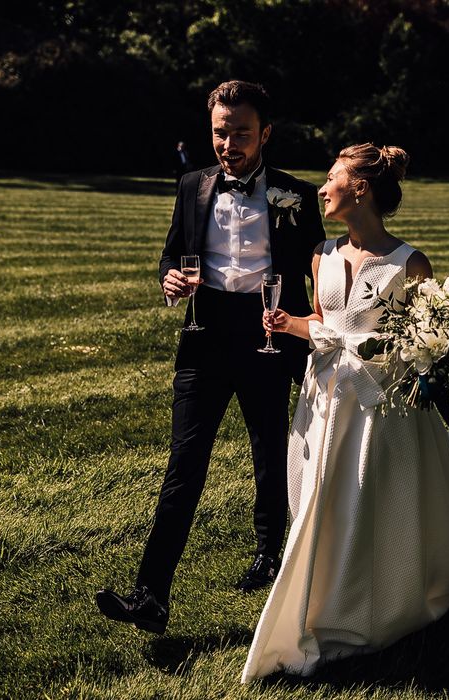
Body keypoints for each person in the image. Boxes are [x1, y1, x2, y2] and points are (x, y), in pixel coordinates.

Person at [241, 143, 449, 682]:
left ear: (359, 189)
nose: (322, 187)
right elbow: (321, 318)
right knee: (318, 497)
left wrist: (434, 360)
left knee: (368, 498)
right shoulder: (321, 254)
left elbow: (414, 342)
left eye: (332, 178)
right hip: (324, 397)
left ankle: (371, 599)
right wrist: (288, 324)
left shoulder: (409, 263)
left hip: (379, 407)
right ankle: (318, 585)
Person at [95, 80, 326, 633]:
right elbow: (173, 252)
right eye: (221, 133)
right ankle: (151, 594)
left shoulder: (296, 194)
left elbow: (319, 271)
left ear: (265, 133)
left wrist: (308, 328)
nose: (229, 144)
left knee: (270, 450)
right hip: (203, 335)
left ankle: (271, 556)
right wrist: (169, 278)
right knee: (185, 461)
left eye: (241, 133)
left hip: (269, 331)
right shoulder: (192, 186)